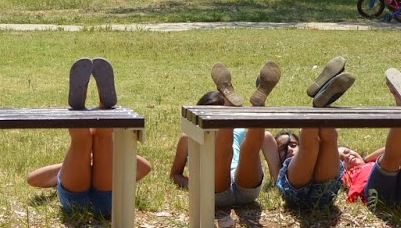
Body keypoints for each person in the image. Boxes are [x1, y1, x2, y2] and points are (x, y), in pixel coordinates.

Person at [27, 58, 152, 216]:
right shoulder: (115, 167)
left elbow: (32, 179)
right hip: (107, 200)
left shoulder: (69, 168)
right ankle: (103, 108)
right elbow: (145, 168)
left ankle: (80, 110)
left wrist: (83, 160)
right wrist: (100, 157)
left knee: (81, 141)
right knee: (103, 137)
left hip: (75, 202)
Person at [167, 59, 285, 209]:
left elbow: (260, 140)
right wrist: (196, 184)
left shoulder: (237, 131)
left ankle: (257, 107)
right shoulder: (188, 137)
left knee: (249, 150)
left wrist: (275, 177)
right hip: (216, 188)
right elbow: (175, 175)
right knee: (229, 152)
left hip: (243, 184)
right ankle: (249, 110)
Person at [339, 66, 401, 208]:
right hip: (379, 197)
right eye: (341, 159)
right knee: (395, 159)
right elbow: (391, 153)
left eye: (347, 152)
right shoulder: (346, 176)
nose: (347, 156)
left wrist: (365, 159)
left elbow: (398, 147)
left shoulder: (368, 162)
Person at [274, 59, 359, 213]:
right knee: (327, 141)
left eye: (293, 144)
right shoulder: (277, 165)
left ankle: (319, 106)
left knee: (311, 147)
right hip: (320, 193)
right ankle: (320, 105)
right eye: (283, 148)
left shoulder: (306, 148)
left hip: (299, 191)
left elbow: (306, 146)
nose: (289, 149)